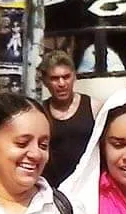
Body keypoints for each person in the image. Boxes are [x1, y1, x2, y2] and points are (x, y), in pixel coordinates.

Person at [39, 49, 101, 188]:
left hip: (87, 187)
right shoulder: (39, 113)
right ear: (45, 81)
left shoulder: (94, 107)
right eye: (55, 78)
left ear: (74, 76)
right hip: (52, 190)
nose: (61, 84)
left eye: (66, 77)